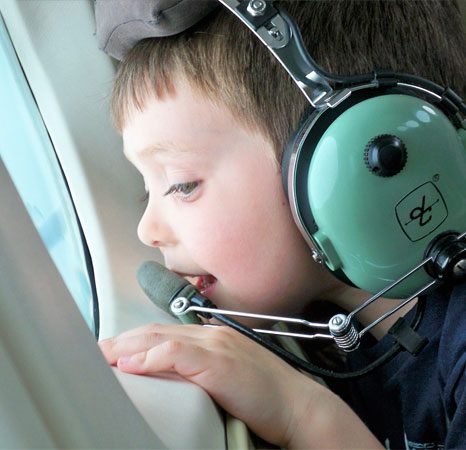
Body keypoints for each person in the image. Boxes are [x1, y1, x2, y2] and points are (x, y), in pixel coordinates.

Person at [98, 1, 466, 448]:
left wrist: (303, 417)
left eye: (182, 185)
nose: (146, 229)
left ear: (360, 155)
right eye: (146, 190)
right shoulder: (315, 338)